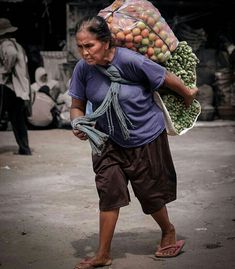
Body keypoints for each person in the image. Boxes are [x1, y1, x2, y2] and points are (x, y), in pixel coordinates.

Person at [69, 15, 198, 268]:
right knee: (109, 192)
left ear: (105, 42)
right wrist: (78, 122)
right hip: (107, 140)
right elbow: (77, 106)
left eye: (90, 46)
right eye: (80, 47)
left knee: (150, 194)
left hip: (145, 137)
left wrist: (187, 95)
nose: (84, 53)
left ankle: (168, 231)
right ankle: (103, 254)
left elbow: (166, 77)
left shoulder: (131, 61)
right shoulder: (83, 69)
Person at [0, 18, 32, 155]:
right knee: (18, 119)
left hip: (8, 86)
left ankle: (24, 148)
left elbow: (11, 55)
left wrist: (6, 69)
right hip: (20, 89)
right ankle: (24, 148)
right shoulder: (18, 45)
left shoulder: (6, 44)